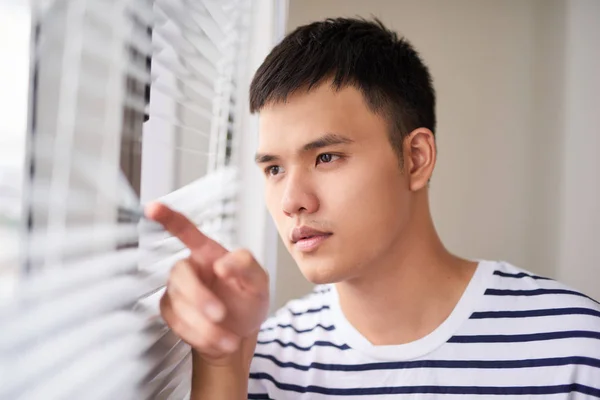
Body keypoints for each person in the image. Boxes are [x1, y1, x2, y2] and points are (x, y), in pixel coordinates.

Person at [146, 17, 600, 399]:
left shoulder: (575, 350)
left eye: (326, 157)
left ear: (416, 159)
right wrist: (221, 362)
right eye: (274, 169)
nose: (292, 201)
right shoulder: (262, 364)